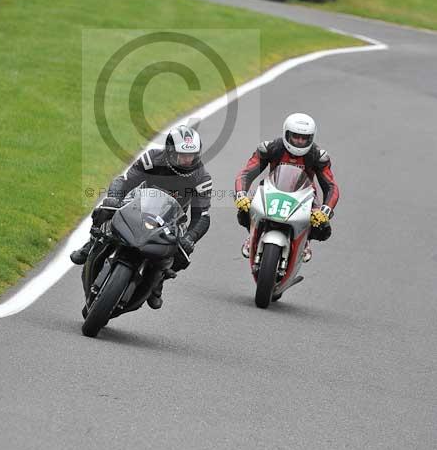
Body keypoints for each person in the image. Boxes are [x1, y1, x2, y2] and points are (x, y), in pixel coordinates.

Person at [71, 125, 212, 309]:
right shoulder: (152, 159)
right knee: (107, 207)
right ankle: (92, 242)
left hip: (169, 221)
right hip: (138, 206)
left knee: (183, 253)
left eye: (192, 155)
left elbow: (202, 216)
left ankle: (159, 278)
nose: (187, 160)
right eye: (182, 155)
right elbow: (124, 181)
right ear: (170, 151)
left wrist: (190, 238)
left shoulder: (201, 178)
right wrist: (115, 198)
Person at [234, 113, 339, 262]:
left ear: (311, 138)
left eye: (304, 138)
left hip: (306, 196)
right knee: (244, 210)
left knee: (323, 228)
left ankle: (305, 241)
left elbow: (331, 186)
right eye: (295, 136)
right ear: (286, 134)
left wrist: (325, 210)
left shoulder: (318, 156)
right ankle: (253, 234)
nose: (300, 141)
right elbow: (246, 173)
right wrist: (241, 194)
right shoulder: (271, 148)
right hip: (272, 190)